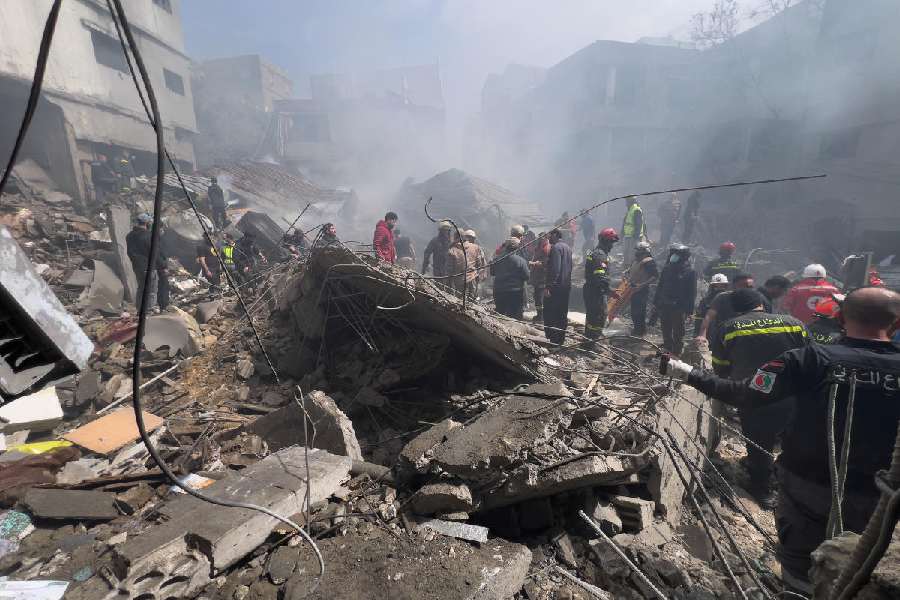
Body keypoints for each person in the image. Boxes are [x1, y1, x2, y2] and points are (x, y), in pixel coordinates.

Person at [662, 287, 900, 594]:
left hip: (808, 486)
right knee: (866, 567)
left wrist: (685, 371)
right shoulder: (805, 342)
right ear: (895, 324)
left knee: (802, 566)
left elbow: (744, 393)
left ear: (840, 317)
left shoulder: (809, 360)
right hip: (882, 497)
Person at [710, 288, 809, 505]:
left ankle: (762, 490)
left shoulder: (728, 328)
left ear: (736, 308)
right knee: (793, 440)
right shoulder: (794, 323)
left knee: (759, 442)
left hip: (755, 396)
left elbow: (721, 368)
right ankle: (792, 485)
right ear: (761, 304)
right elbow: (812, 356)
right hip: (793, 394)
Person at [653, 244, 696, 355]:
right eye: (673, 254)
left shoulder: (690, 272)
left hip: (678, 306)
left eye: (676, 254)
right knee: (665, 327)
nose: (673, 256)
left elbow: (692, 293)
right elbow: (661, 285)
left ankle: (677, 351)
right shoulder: (667, 268)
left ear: (683, 256)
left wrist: (689, 311)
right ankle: (667, 347)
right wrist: (656, 301)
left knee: (678, 330)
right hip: (665, 303)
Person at [696, 272, 756, 345]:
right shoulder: (717, 298)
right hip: (719, 335)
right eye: (716, 286)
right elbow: (706, 317)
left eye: (722, 286)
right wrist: (702, 334)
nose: (719, 289)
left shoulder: (755, 299)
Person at [583, 228, 620, 344]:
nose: (612, 246)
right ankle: (593, 342)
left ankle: (589, 340)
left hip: (592, 290)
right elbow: (600, 278)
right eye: (611, 243)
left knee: (592, 316)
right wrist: (610, 291)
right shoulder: (600, 256)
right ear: (605, 241)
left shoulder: (596, 252)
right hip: (596, 292)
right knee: (598, 317)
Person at [126, 213, 164, 312]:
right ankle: (149, 311)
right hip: (149, 267)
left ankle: (139, 310)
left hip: (137, 267)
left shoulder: (129, 236)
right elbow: (155, 253)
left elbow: (129, 253)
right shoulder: (149, 236)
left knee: (141, 288)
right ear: (147, 223)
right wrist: (163, 265)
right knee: (151, 291)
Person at [543, 229, 573, 344]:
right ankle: (560, 339)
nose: (548, 238)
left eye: (549, 235)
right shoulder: (568, 248)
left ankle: (552, 339)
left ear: (555, 235)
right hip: (565, 287)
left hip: (555, 288)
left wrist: (549, 287)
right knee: (561, 314)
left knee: (551, 313)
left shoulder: (556, 248)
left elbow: (555, 269)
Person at [491, 238, 531, 319]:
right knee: (515, 317)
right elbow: (527, 276)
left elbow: (492, 273)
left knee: (500, 316)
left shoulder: (496, 259)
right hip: (515, 293)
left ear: (505, 247)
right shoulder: (521, 261)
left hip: (499, 292)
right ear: (517, 248)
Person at [628, 242, 659, 337]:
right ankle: (637, 330)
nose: (636, 252)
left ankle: (640, 332)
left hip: (641, 290)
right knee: (634, 311)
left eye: (639, 250)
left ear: (645, 251)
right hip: (633, 289)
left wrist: (642, 285)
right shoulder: (637, 260)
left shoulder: (648, 261)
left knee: (639, 312)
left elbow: (655, 276)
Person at [446, 231, 482, 299]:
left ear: (455, 237)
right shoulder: (476, 247)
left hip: (459, 281)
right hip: (472, 279)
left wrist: (448, 284)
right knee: (472, 300)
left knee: (461, 300)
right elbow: (479, 265)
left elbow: (449, 270)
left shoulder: (452, 250)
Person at [529, 234, 551, 323]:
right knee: (537, 296)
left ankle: (541, 317)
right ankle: (539, 315)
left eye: (542, 237)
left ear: (546, 238)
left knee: (540, 297)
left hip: (543, 277)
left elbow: (547, 264)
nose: (540, 239)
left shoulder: (547, 249)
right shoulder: (538, 247)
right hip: (537, 277)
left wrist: (535, 264)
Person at [620, 195, 646, 266]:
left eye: (627, 201)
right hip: (628, 236)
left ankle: (631, 270)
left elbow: (639, 224)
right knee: (626, 254)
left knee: (632, 255)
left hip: (634, 237)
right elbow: (625, 224)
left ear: (630, 201)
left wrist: (635, 236)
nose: (625, 203)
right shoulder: (630, 210)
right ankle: (627, 269)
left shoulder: (636, 210)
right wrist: (621, 236)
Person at [462, 230, 487, 297]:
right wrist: (482, 274)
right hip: (472, 276)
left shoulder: (460, 246)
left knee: (462, 295)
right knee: (471, 295)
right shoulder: (477, 248)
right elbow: (481, 263)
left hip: (461, 277)